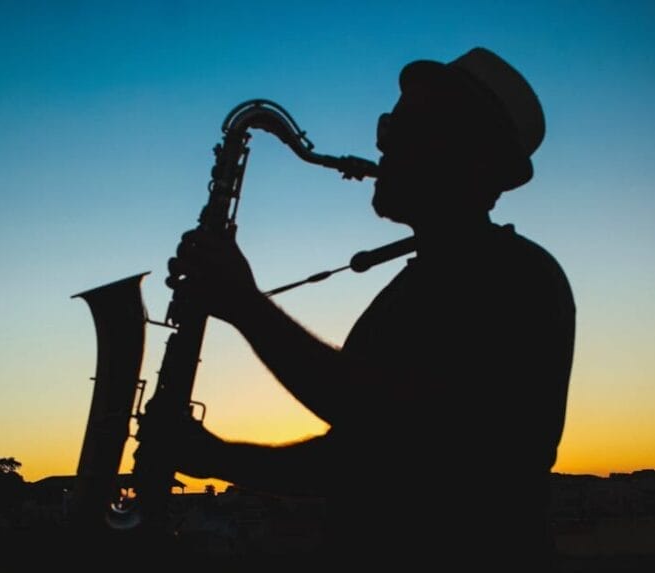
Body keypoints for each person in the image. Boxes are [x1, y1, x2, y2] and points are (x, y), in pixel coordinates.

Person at [162, 47, 575, 567]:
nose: (383, 144)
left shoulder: (514, 279)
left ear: (474, 161)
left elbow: (386, 417)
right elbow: (363, 459)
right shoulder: (426, 283)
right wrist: (213, 457)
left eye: (408, 129)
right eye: (387, 125)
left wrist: (244, 305)